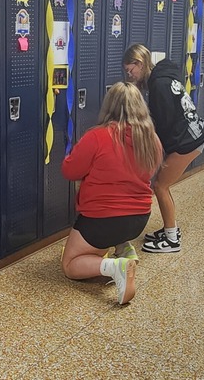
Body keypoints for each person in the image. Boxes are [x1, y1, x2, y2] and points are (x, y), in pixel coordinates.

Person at [60, 82, 163, 304]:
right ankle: (124, 248)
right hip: (138, 220)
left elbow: (70, 171)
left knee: (70, 264)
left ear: (108, 106)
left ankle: (117, 267)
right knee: (111, 227)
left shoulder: (97, 136)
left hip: (102, 220)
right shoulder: (151, 139)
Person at [123, 44, 204, 254]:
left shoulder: (158, 85)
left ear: (140, 64)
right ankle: (171, 230)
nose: (129, 75)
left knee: (160, 185)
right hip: (195, 133)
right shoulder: (163, 74)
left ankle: (172, 239)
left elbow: (165, 125)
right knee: (162, 184)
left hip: (188, 141)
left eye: (130, 70)